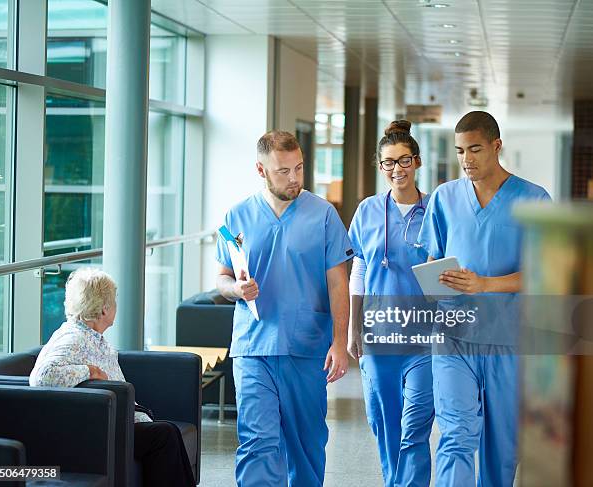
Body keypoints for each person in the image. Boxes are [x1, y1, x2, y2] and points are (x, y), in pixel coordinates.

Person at [418, 111, 551, 486]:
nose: (466, 160)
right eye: (460, 151)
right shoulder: (444, 197)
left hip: (507, 340)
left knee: (501, 448)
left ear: (496, 146)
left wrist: (484, 285)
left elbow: (543, 274)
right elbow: (433, 258)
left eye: (474, 149)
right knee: (456, 435)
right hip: (453, 338)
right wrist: (434, 285)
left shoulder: (534, 199)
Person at [216, 130, 352, 487]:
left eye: (299, 168)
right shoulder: (237, 215)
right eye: (283, 171)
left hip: (306, 347)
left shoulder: (323, 215)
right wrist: (237, 289)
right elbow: (222, 278)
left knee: (306, 446)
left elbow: (339, 283)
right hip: (253, 346)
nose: (294, 179)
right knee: (258, 441)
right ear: (261, 170)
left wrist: (340, 343)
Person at [30, 267, 195, 487]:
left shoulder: (92, 336)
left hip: (119, 419)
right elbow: (41, 376)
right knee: (164, 434)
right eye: (114, 301)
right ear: (104, 310)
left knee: (167, 432)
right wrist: (89, 371)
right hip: (101, 426)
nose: (117, 306)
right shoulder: (74, 338)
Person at [347, 120, 434, 487]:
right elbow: (360, 269)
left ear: (416, 162)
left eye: (403, 161)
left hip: (426, 337)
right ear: (379, 165)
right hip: (378, 333)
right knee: (384, 421)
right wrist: (353, 329)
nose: (396, 169)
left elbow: (446, 269)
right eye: (388, 162)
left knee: (415, 422)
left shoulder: (435, 209)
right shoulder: (367, 210)